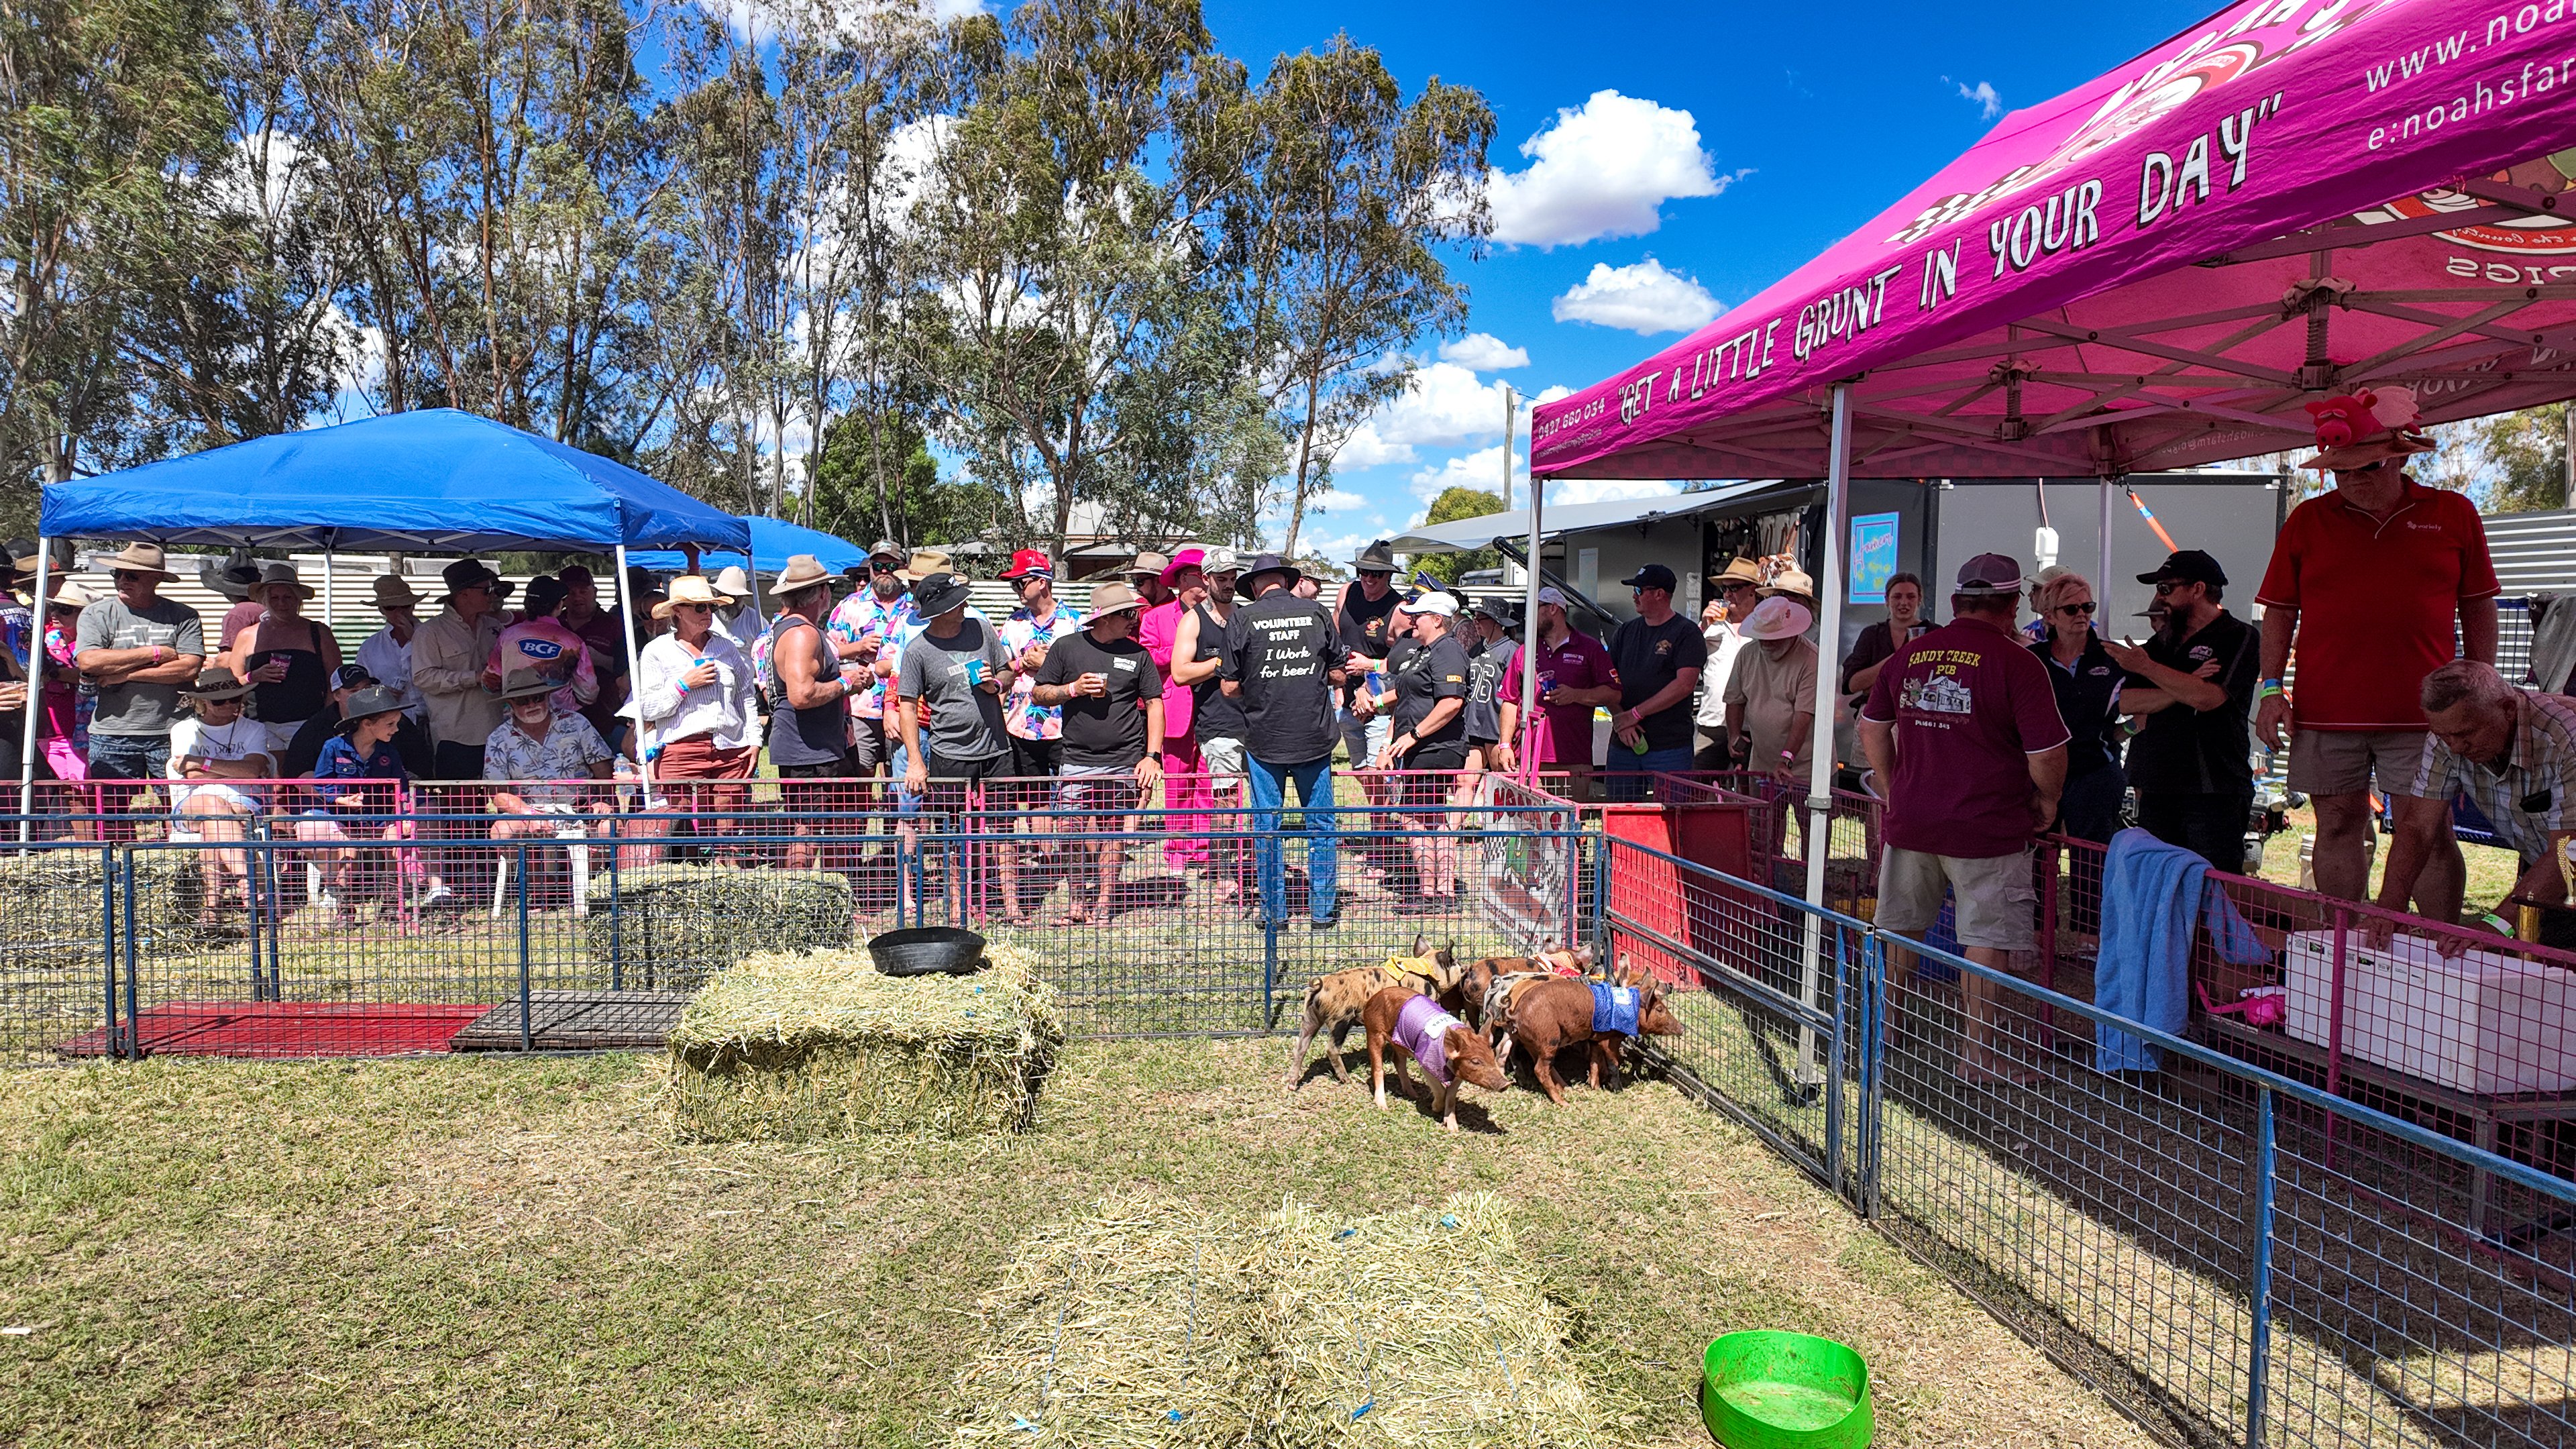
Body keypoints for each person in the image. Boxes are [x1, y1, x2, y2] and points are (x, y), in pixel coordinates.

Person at [2257, 384, 2498, 906]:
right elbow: (2279, 611)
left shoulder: (2453, 512)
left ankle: (2439, 952)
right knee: (2337, 824)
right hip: (2325, 711)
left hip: (2427, 715)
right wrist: (2272, 689)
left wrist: (2481, 684)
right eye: (2339, 470)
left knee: (2428, 832)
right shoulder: (2307, 520)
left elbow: (2479, 604)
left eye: (2363, 468)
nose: (2350, 481)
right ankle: (2345, 945)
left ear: (2397, 459)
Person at [1859, 554, 2071, 1085]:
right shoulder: (2020, 663)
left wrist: (1892, 787)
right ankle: (1976, 1057)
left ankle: (1887, 1027)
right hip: (1987, 826)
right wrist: (2048, 803)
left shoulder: (1910, 654)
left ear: (1955, 604)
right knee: (1985, 936)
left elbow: (1870, 727)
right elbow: (2047, 754)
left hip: (1913, 819)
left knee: (1902, 925)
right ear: (2012, 605)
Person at [2377, 661, 2576, 951]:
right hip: (2554, 868)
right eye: (2445, 736)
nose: (2456, 747)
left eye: (2467, 734)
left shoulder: (2565, 738)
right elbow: (2419, 828)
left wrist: (2493, 925)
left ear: (2508, 709)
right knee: (2539, 971)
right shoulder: (2447, 736)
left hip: (2565, 860)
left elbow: (2569, 848)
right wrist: (2389, 907)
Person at [2104, 549, 2261, 871]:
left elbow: (2209, 699)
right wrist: (2182, 687)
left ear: (2198, 589)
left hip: (2214, 786)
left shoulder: (2237, 635)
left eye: (2166, 589)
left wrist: (2150, 671)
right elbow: (2126, 702)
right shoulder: (2160, 644)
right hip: (2158, 785)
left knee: (2212, 885)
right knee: (2160, 881)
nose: (2160, 599)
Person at [1221, 554, 1346, 930]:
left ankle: (1275, 915)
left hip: (1265, 738)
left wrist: (1261, 685)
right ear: (1287, 581)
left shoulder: (1242, 619)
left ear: (1256, 586)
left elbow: (1228, 686)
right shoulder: (1318, 612)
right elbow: (1339, 675)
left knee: (1267, 826)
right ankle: (1323, 914)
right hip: (1314, 736)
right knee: (1322, 824)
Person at [1031, 580, 1163, 925]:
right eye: (1128, 614)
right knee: (1072, 833)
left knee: (1113, 831)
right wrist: (1071, 689)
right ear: (1105, 618)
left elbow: (1154, 704)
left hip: (1124, 759)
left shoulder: (1139, 654)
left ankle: (1104, 903)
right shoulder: (1067, 648)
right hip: (1075, 758)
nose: (1134, 620)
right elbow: (1038, 693)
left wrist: (1152, 756)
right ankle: (1077, 902)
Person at [896, 570, 1022, 922]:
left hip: (996, 749)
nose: (964, 605)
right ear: (938, 610)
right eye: (957, 602)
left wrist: (997, 685)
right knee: (952, 833)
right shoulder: (918, 651)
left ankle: (1011, 904)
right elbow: (906, 706)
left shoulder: (982, 630)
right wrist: (916, 762)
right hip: (950, 754)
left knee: (1003, 828)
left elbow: (1008, 671)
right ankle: (959, 905)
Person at [75, 543, 206, 824]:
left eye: (132, 575)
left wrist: (125, 674)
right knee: (112, 819)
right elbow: (89, 662)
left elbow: (189, 667)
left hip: (172, 730)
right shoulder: (97, 613)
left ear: (156, 578)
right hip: (112, 732)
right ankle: (116, 866)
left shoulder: (183, 615)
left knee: (184, 812)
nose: (122, 580)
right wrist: (155, 654)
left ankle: (188, 860)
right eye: (117, 573)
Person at [638, 574, 761, 853]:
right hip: (681, 751)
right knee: (681, 831)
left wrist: (754, 739)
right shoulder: (656, 652)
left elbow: (746, 696)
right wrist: (684, 685)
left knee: (728, 833)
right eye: (700, 607)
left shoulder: (726, 647)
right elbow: (646, 708)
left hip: (731, 749)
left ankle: (727, 881)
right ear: (677, 612)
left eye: (711, 607)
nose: (708, 613)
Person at [1373, 590, 1470, 910]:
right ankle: (1437, 890)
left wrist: (1413, 735)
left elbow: (1452, 702)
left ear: (1438, 620)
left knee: (1418, 818)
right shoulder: (1423, 651)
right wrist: (1375, 709)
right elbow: (1403, 696)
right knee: (1426, 817)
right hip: (1418, 748)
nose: (1413, 620)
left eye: (1420, 616)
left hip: (1437, 748)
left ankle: (1434, 892)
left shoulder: (1448, 651)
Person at [762, 553, 860, 869]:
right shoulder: (803, 634)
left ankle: (806, 902)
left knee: (809, 829)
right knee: (807, 831)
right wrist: (847, 683)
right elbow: (802, 694)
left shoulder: (788, 629)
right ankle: (797, 905)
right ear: (821, 593)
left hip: (809, 749)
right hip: (809, 752)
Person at [297, 684, 417, 924]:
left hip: (383, 819)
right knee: (347, 861)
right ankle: (346, 909)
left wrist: (404, 816)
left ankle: (392, 904)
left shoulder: (389, 751)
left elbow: (401, 789)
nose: (396, 730)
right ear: (368, 723)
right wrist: (339, 798)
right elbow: (321, 783)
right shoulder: (333, 747)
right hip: (344, 821)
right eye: (390, 724)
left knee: (394, 845)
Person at [166, 667, 274, 924]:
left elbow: (253, 770)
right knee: (215, 808)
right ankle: (249, 883)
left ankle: (212, 905)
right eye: (219, 700)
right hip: (196, 802)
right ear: (202, 702)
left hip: (242, 803)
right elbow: (188, 776)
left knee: (213, 819)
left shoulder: (255, 728)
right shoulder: (183, 730)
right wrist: (234, 770)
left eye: (234, 699)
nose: (228, 705)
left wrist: (201, 762)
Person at [484, 669, 617, 871]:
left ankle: (591, 890)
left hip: (581, 809)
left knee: (610, 828)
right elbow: (498, 794)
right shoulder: (498, 739)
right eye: (522, 701)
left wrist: (601, 801)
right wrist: (529, 814)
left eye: (537, 698)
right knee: (503, 832)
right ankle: (537, 893)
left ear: (547, 697)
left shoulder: (576, 723)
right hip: (529, 813)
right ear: (510, 704)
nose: (531, 705)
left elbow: (603, 771)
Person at [1171, 548, 1248, 894]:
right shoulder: (1194, 620)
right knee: (1225, 801)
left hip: (1255, 719)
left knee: (1258, 801)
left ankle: (1251, 866)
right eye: (1222, 579)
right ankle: (1221, 872)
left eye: (1232, 578)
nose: (1229, 585)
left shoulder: (1246, 616)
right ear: (1206, 580)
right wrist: (1221, 665)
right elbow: (1179, 672)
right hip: (1218, 723)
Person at [1495, 587, 1618, 799]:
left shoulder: (1589, 648)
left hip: (1574, 757)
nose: (1529, 617)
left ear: (1553, 609)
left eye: (1535, 609)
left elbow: (1613, 693)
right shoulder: (1526, 650)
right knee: (1531, 827)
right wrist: (1505, 744)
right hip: (1529, 758)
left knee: (1570, 825)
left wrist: (1576, 695)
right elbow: (1510, 700)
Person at [1603, 563, 1709, 800]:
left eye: (1639, 590)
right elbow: (1608, 681)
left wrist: (1636, 714)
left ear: (1660, 594)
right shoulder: (1625, 632)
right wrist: (1623, 719)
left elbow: (1684, 685)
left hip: (1669, 745)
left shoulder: (1686, 633)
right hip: (1625, 743)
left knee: (1673, 816)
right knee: (1620, 816)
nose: (1634, 596)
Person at [1723, 596, 1819, 857]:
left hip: (1807, 766)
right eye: (1762, 637)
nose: (1766, 643)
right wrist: (1734, 735)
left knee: (1813, 833)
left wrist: (1786, 759)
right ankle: (1770, 882)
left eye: (1773, 638)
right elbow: (1734, 699)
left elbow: (1804, 715)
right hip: (1763, 762)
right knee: (1763, 831)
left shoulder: (1810, 658)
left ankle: (1811, 887)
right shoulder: (1748, 654)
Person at [826, 540, 918, 800]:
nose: (885, 571)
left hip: (906, 707)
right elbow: (827, 651)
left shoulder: (916, 607)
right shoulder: (850, 606)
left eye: (892, 566)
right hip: (861, 708)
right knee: (860, 783)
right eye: (878, 566)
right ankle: (858, 840)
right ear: (869, 569)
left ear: (903, 568)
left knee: (900, 784)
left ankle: (894, 841)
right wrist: (858, 647)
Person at [221, 562, 341, 755]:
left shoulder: (318, 632)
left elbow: (335, 683)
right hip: (259, 724)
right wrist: (253, 677)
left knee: (303, 780)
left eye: (288, 597)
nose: (281, 604)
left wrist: (325, 722)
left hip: (307, 722)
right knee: (269, 783)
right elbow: (229, 686)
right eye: (274, 598)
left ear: (298, 599)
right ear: (265, 600)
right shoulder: (246, 635)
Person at [1140, 547, 1211, 871]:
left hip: (1216, 711)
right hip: (1175, 711)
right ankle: (1178, 851)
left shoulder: (1223, 614)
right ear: (1184, 579)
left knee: (1212, 782)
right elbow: (1147, 658)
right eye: (1202, 574)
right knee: (1178, 783)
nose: (1208, 580)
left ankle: (1205, 850)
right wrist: (1186, 650)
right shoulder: (1155, 617)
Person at [411, 559, 508, 781]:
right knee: (458, 807)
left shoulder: (495, 628)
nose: (492, 595)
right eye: (486, 590)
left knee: (499, 803)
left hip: (498, 731)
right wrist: (474, 678)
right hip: (454, 737)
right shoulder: (430, 632)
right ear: (464, 595)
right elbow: (423, 678)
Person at [1335, 541, 1404, 826]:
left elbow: (1407, 664)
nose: (1368, 578)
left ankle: (1381, 847)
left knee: (1379, 773)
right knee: (1362, 772)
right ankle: (1384, 836)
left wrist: (1371, 666)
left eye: (1376, 574)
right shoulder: (1346, 594)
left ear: (1388, 576)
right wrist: (1339, 688)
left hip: (1383, 704)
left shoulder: (1399, 609)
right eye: (1364, 571)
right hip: (1349, 701)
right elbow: (1335, 645)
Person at [277, 664, 435, 780]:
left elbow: (420, 764)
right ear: (336, 696)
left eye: (367, 688)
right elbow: (298, 771)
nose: (361, 695)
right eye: (353, 691)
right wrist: (336, 795)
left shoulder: (396, 720)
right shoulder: (316, 728)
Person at [488, 575, 600, 719]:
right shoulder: (572, 641)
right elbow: (589, 692)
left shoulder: (507, 636)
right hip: (561, 717)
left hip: (516, 717)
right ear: (559, 605)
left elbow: (490, 682)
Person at [1454, 597, 1517, 814]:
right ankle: (1449, 837)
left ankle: (1500, 835)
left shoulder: (1512, 651)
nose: (1475, 622)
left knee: (1500, 782)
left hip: (1496, 728)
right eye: (1474, 617)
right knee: (1465, 781)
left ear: (1497, 622)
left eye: (1481, 618)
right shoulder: (1474, 650)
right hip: (1473, 727)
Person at [553, 564, 627, 741]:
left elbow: (627, 668)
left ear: (595, 591)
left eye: (583, 591)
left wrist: (598, 659)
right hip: (558, 714)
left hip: (602, 714)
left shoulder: (614, 624)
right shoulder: (553, 625)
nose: (577, 597)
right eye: (571, 592)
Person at [1841, 572, 1931, 707]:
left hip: (1919, 712)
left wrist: (1874, 684)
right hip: (1876, 713)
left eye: (1911, 597)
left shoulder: (1933, 633)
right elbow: (1852, 685)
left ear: (1919, 600)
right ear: (1887, 600)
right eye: (1897, 597)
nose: (1904, 602)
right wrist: (1897, 659)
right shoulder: (1872, 635)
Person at [354, 575, 426, 722]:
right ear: (381, 610)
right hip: (389, 722)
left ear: (413, 606)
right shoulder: (370, 648)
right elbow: (358, 690)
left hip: (435, 718)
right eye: (391, 607)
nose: (399, 613)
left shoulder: (433, 636)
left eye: (405, 606)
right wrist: (379, 695)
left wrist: (416, 639)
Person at [710, 565, 763, 653]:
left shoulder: (756, 622)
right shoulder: (708, 618)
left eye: (733, 597)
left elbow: (763, 656)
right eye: (723, 596)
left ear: (742, 597)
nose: (727, 602)